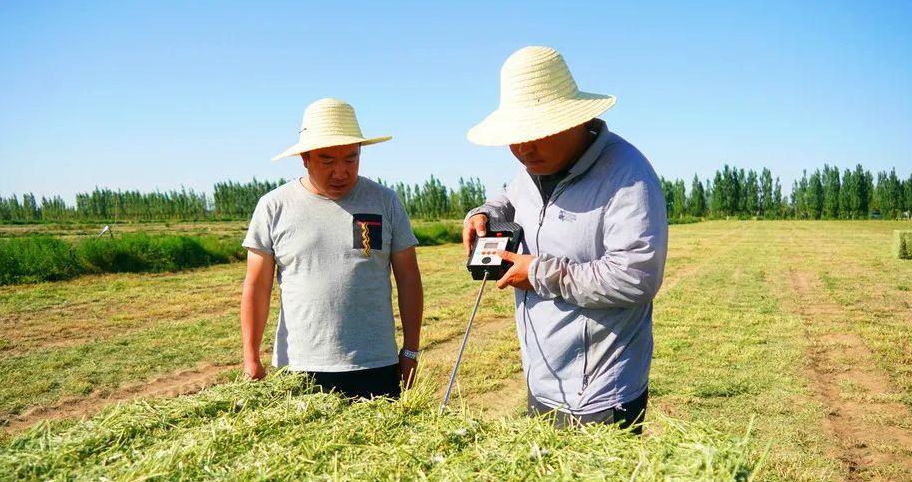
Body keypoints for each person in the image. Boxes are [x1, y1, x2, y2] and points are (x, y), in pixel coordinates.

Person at [463, 46, 668, 433]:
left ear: (575, 120)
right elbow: (509, 197)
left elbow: (636, 277)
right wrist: (484, 214)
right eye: (515, 137)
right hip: (542, 380)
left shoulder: (627, 176)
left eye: (534, 133)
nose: (523, 148)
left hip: (601, 394)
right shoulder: (534, 167)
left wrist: (538, 273)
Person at [241, 98, 423, 399]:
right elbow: (256, 286)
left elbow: (408, 278)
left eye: (350, 159)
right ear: (305, 158)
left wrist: (412, 351)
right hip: (299, 369)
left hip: (375, 366)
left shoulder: (385, 202)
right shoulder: (274, 206)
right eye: (327, 161)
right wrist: (251, 358)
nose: (341, 172)